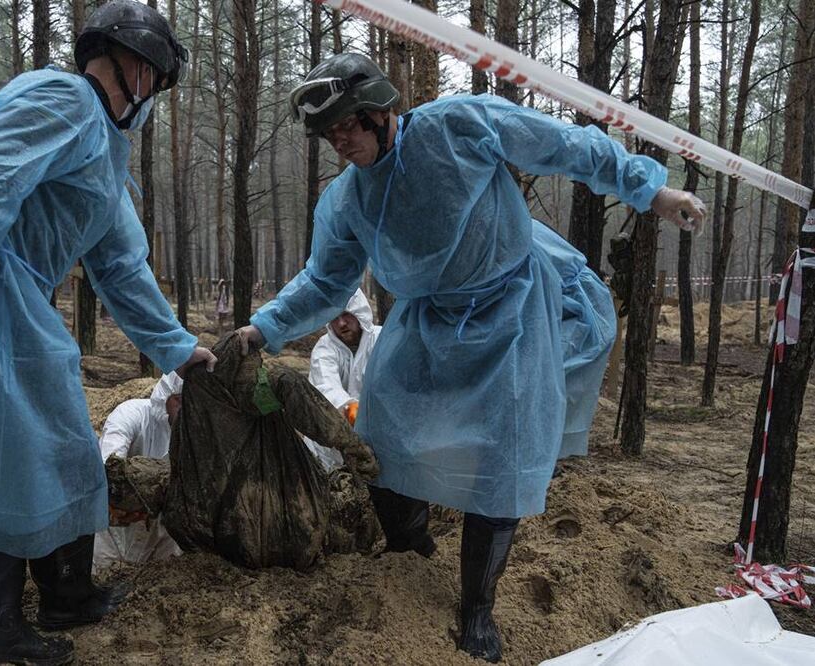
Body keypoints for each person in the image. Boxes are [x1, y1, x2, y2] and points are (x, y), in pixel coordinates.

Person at [236, 53, 706, 663]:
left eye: (348, 124)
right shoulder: (346, 200)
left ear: (380, 111)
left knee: (503, 455)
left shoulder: (458, 126)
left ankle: (477, 606)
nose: (340, 141)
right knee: (383, 432)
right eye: (329, 133)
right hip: (425, 318)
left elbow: (561, 145)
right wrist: (263, 328)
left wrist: (651, 191)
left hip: (510, 309)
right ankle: (411, 550)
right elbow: (325, 281)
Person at [0, 2, 216, 664]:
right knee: (11, 458)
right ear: (138, 68)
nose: (153, 99)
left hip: (27, 306)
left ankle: (68, 594)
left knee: (66, 451)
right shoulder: (61, 99)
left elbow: (121, 267)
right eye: (157, 82)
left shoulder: (105, 151)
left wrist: (179, 350)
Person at [93, 373, 183, 565]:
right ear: (165, 396)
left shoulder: (201, 437)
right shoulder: (132, 414)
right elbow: (110, 462)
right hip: (114, 532)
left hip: (161, 538)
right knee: (103, 575)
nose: (185, 409)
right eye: (179, 400)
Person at [303, 288, 379, 472]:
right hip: (330, 445)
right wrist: (348, 407)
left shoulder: (381, 339)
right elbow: (325, 385)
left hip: (378, 434)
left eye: (346, 314)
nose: (341, 323)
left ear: (359, 312)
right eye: (334, 317)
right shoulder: (325, 348)